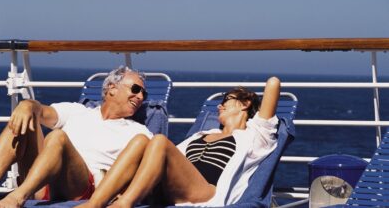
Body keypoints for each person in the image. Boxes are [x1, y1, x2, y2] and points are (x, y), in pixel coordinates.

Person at [78, 76, 281, 208]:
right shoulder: (201, 134)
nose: (220, 106)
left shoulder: (254, 136)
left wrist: (248, 93)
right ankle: (95, 203)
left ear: (245, 104)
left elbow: (273, 83)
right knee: (141, 140)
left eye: (226, 99)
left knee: (159, 142)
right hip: (171, 189)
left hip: (205, 193)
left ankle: (124, 205)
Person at [0, 66, 153, 208]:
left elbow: (152, 165)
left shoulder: (138, 132)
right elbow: (41, 112)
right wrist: (28, 105)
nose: (140, 96)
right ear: (112, 88)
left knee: (58, 137)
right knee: (21, 124)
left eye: (143, 94)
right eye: (136, 89)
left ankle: (18, 197)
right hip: (40, 183)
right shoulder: (77, 111)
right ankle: (23, 192)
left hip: (81, 189)